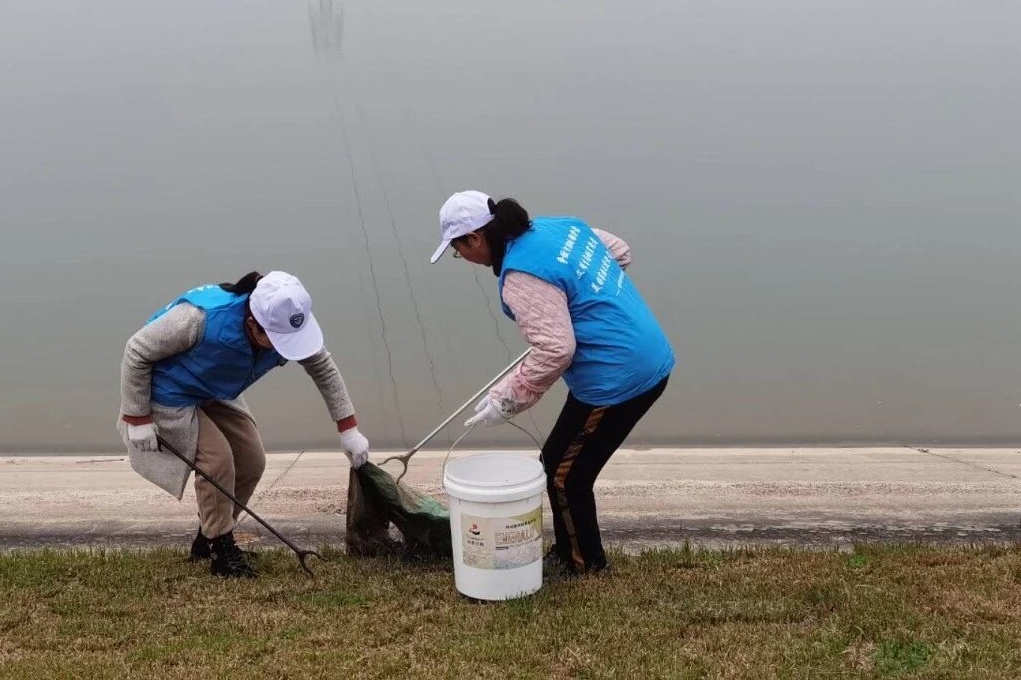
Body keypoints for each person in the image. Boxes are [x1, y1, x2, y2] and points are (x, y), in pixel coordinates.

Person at [430, 191, 674, 576]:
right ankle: (571, 554)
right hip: (648, 352)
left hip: (618, 375)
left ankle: (584, 565)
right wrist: (576, 301)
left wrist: (506, 400)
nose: (463, 258)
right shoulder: (559, 227)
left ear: (474, 238)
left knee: (564, 474)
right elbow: (619, 252)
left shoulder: (520, 276)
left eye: (458, 250)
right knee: (560, 463)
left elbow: (556, 351)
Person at [118, 270, 370, 578]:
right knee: (217, 461)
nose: (285, 347)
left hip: (213, 389)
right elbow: (136, 351)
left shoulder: (288, 319)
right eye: (277, 341)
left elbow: (323, 367)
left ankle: (208, 537)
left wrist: (348, 428)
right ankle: (221, 549)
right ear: (252, 324)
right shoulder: (198, 320)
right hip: (167, 392)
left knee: (252, 460)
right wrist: (137, 417)